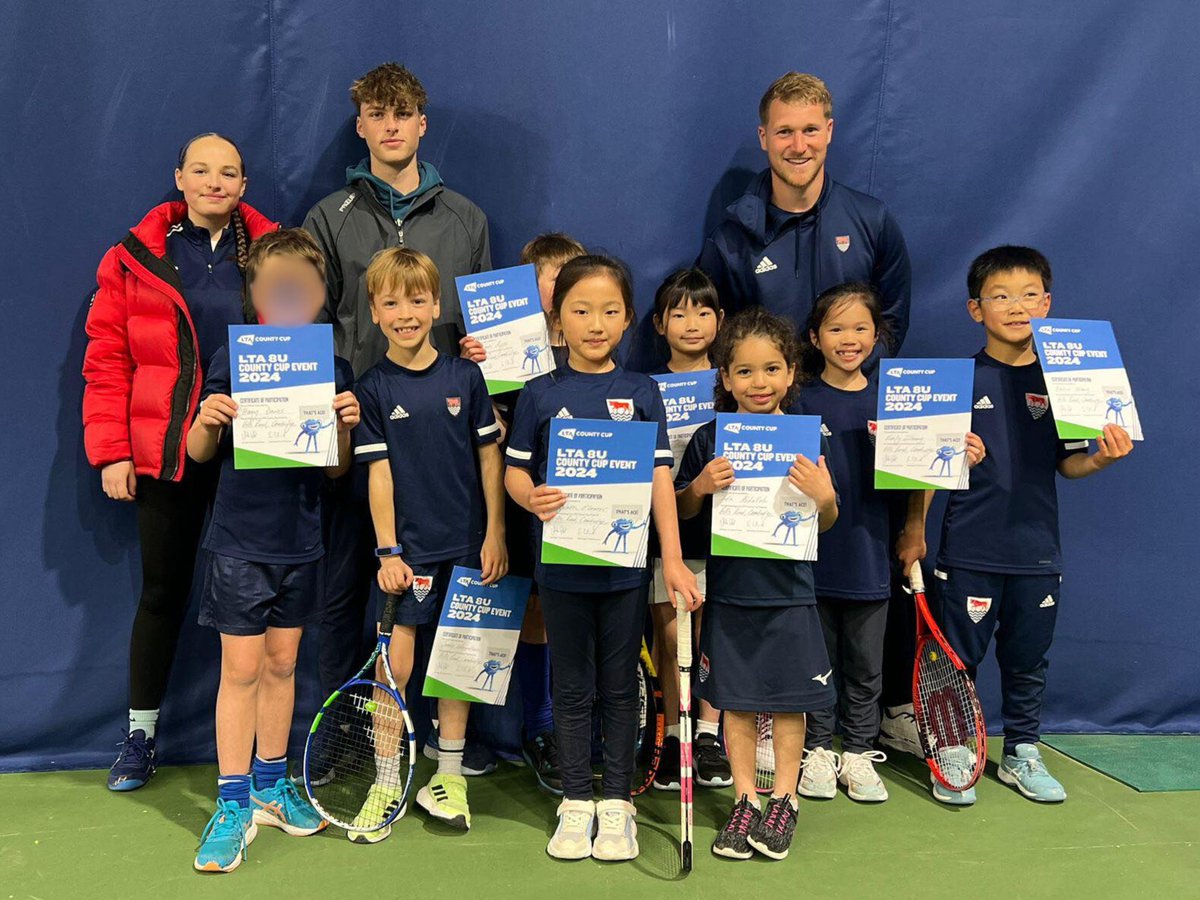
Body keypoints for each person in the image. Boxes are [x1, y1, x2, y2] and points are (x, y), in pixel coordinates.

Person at [303, 63, 496, 773]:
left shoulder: (467, 218)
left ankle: (447, 750)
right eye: (377, 115)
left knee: (446, 605)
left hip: (440, 450)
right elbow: (310, 324)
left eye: (403, 113)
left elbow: (484, 331)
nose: (390, 126)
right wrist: (330, 405)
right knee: (347, 595)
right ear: (361, 127)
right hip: (357, 434)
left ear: (421, 123)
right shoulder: (330, 216)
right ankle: (344, 742)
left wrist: (483, 348)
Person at [898, 245, 1133, 805]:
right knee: (957, 659)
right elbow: (923, 471)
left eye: (1029, 295)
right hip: (969, 552)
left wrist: (1101, 457)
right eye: (1000, 296)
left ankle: (1022, 750)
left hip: (1036, 553)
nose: (1016, 306)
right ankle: (955, 750)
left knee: (1028, 661)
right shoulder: (951, 380)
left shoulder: (1070, 381)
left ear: (1048, 303)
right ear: (975, 310)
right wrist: (914, 530)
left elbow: (1070, 464)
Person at [82, 133, 278, 791]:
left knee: (265, 603)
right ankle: (139, 738)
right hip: (169, 455)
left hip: (261, 452)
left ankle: (266, 755)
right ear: (180, 178)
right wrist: (111, 450)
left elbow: (308, 333)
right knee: (163, 593)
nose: (214, 181)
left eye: (228, 172)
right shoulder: (133, 259)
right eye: (201, 170)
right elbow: (107, 357)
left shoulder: (278, 253)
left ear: (244, 186)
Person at [504, 255, 702, 862]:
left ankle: (616, 804)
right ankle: (574, 801)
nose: (596, 322)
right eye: (580, 310)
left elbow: (659, 480)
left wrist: (672, 558)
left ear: (628, 319)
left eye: (610, 311)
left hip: (624, 571)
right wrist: (528, 496)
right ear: (557, 321)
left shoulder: (642, 391)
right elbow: (513, 470)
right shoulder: (540, 394)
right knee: (571, 687)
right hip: (560, 571)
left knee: (618, 687)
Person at [186, 228, 359, 872]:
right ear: (254, 293)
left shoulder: (333, 368)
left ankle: (269, 782)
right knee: (241, 671)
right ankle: (231, 800)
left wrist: (345, 428)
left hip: (302, 541)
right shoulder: (234, 357)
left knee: (284, 665)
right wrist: (208, 420)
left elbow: (338, 472)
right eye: (275, 286)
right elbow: (199, 455)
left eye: (302, 288)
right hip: (239, 543)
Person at [793, 283, 983, 803]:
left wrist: (955, 457)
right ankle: (816, 751)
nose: (848, 339)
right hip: (807, 562)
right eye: (835, 328)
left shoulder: (898, 401)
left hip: (870, 558)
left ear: (878, 335)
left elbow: (925, 472)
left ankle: (856, 752)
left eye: (860, 328)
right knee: (816, 662)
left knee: (865, 663)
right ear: (814, 337)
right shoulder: (797, 401)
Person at [352, 248, 507, 839]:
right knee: (397, 666)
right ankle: (386, 779)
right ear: (374, 311)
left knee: (458, 663)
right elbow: (380, 474)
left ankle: (448, 775)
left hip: (468, 546)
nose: (406, 313)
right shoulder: (371, 388)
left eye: (417, 300)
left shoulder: (466, 377)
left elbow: (489, 456)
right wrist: (388, 552)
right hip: (408, 557)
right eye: (391, 302)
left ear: (437, 305)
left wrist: (495, 532)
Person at [675, 307, 838, 861]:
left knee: (790, 702)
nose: (759, 382)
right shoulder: (708, 438)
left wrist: (824, 497)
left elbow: (828, 520)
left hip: (791, 593)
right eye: (744, 372)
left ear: (791, 372)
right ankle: (746, 798)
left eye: (771, 369)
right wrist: (698, 485)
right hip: (730, 594)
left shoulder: (809, 438)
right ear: (724, 378)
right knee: (737, 703)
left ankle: (784, 801)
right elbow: (680, 509)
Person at [697, 72, 910, 369]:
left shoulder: (872, 220)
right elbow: (710, 330)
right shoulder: (731, 240)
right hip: (768, 407)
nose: (798, 146)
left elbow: (891, 319)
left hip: (848, 403)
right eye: (784, 132)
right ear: (763, 137)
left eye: (810, 130)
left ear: (829, 131)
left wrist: (848, 384)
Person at [644, 268, 731, 792]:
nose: (691, 323)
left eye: (702, 312)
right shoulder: (644, 388)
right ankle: (674, 733)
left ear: (720, 321)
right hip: (664, 530)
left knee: (716, 633)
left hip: (724, 532)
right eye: (679, 312)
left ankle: (709, 733)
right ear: (658, 324)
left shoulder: (738, 382)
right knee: (670, 631)